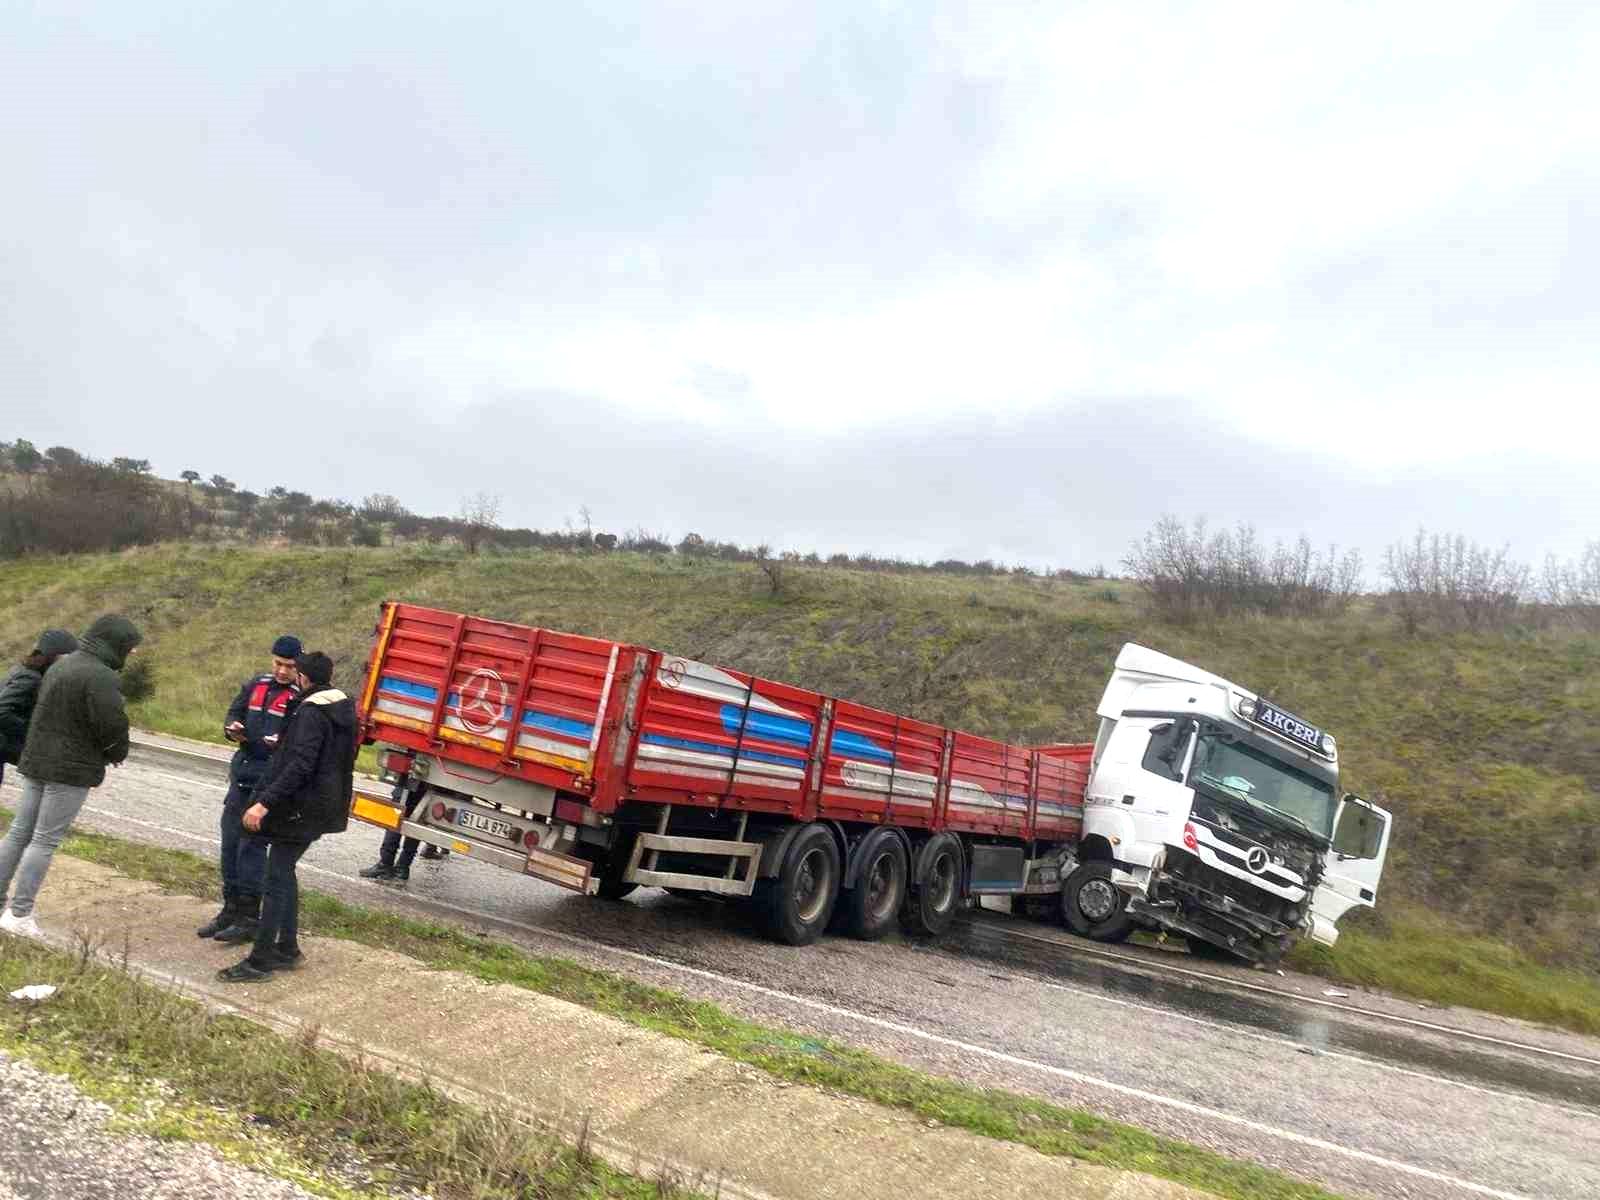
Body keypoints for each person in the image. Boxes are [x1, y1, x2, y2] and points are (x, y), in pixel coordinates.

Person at [0, 615, 141, 939]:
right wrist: (116, 752)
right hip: (69, 769)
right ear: (115, 643)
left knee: (19, 833)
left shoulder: (60, 666)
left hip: (36, 760)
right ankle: (20, 914)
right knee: (44, 840)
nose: (131, 654)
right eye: (129, 648)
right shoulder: (101, 676)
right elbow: (111, 723)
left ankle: (4, 904)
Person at [218, 651, 354, 981]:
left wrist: (264, 803)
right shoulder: (342, 709)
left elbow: (301, 764)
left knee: (275, 879)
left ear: (303, 678)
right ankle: (287, 949)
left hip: (301, 808)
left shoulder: (311, 712)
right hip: (322, 805)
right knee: (284, 871)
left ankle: (260, 961)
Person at [200, 635, 302, 942]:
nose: (283, 671)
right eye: (278, 664)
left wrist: (279, 745)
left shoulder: (299, 697)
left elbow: (301, 744)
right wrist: (233, 730)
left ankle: (248, 917)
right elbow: (233, 714)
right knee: (230, 846)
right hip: (242, 775)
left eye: (290, 666)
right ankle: (229, 910)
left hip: (267, 784)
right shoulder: (256, 684)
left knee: (251, 850)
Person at [0, 630, 80, 789]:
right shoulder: (30, 677)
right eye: (66, 657)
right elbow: (2, 711)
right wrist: (31, 730)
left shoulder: (23, 670)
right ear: (54, 655)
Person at [359, 777, 431, 882]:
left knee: (396, 813)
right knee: (418, 817)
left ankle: (385, 864)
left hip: (413, 776)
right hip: (435, 784)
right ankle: (402, 868)